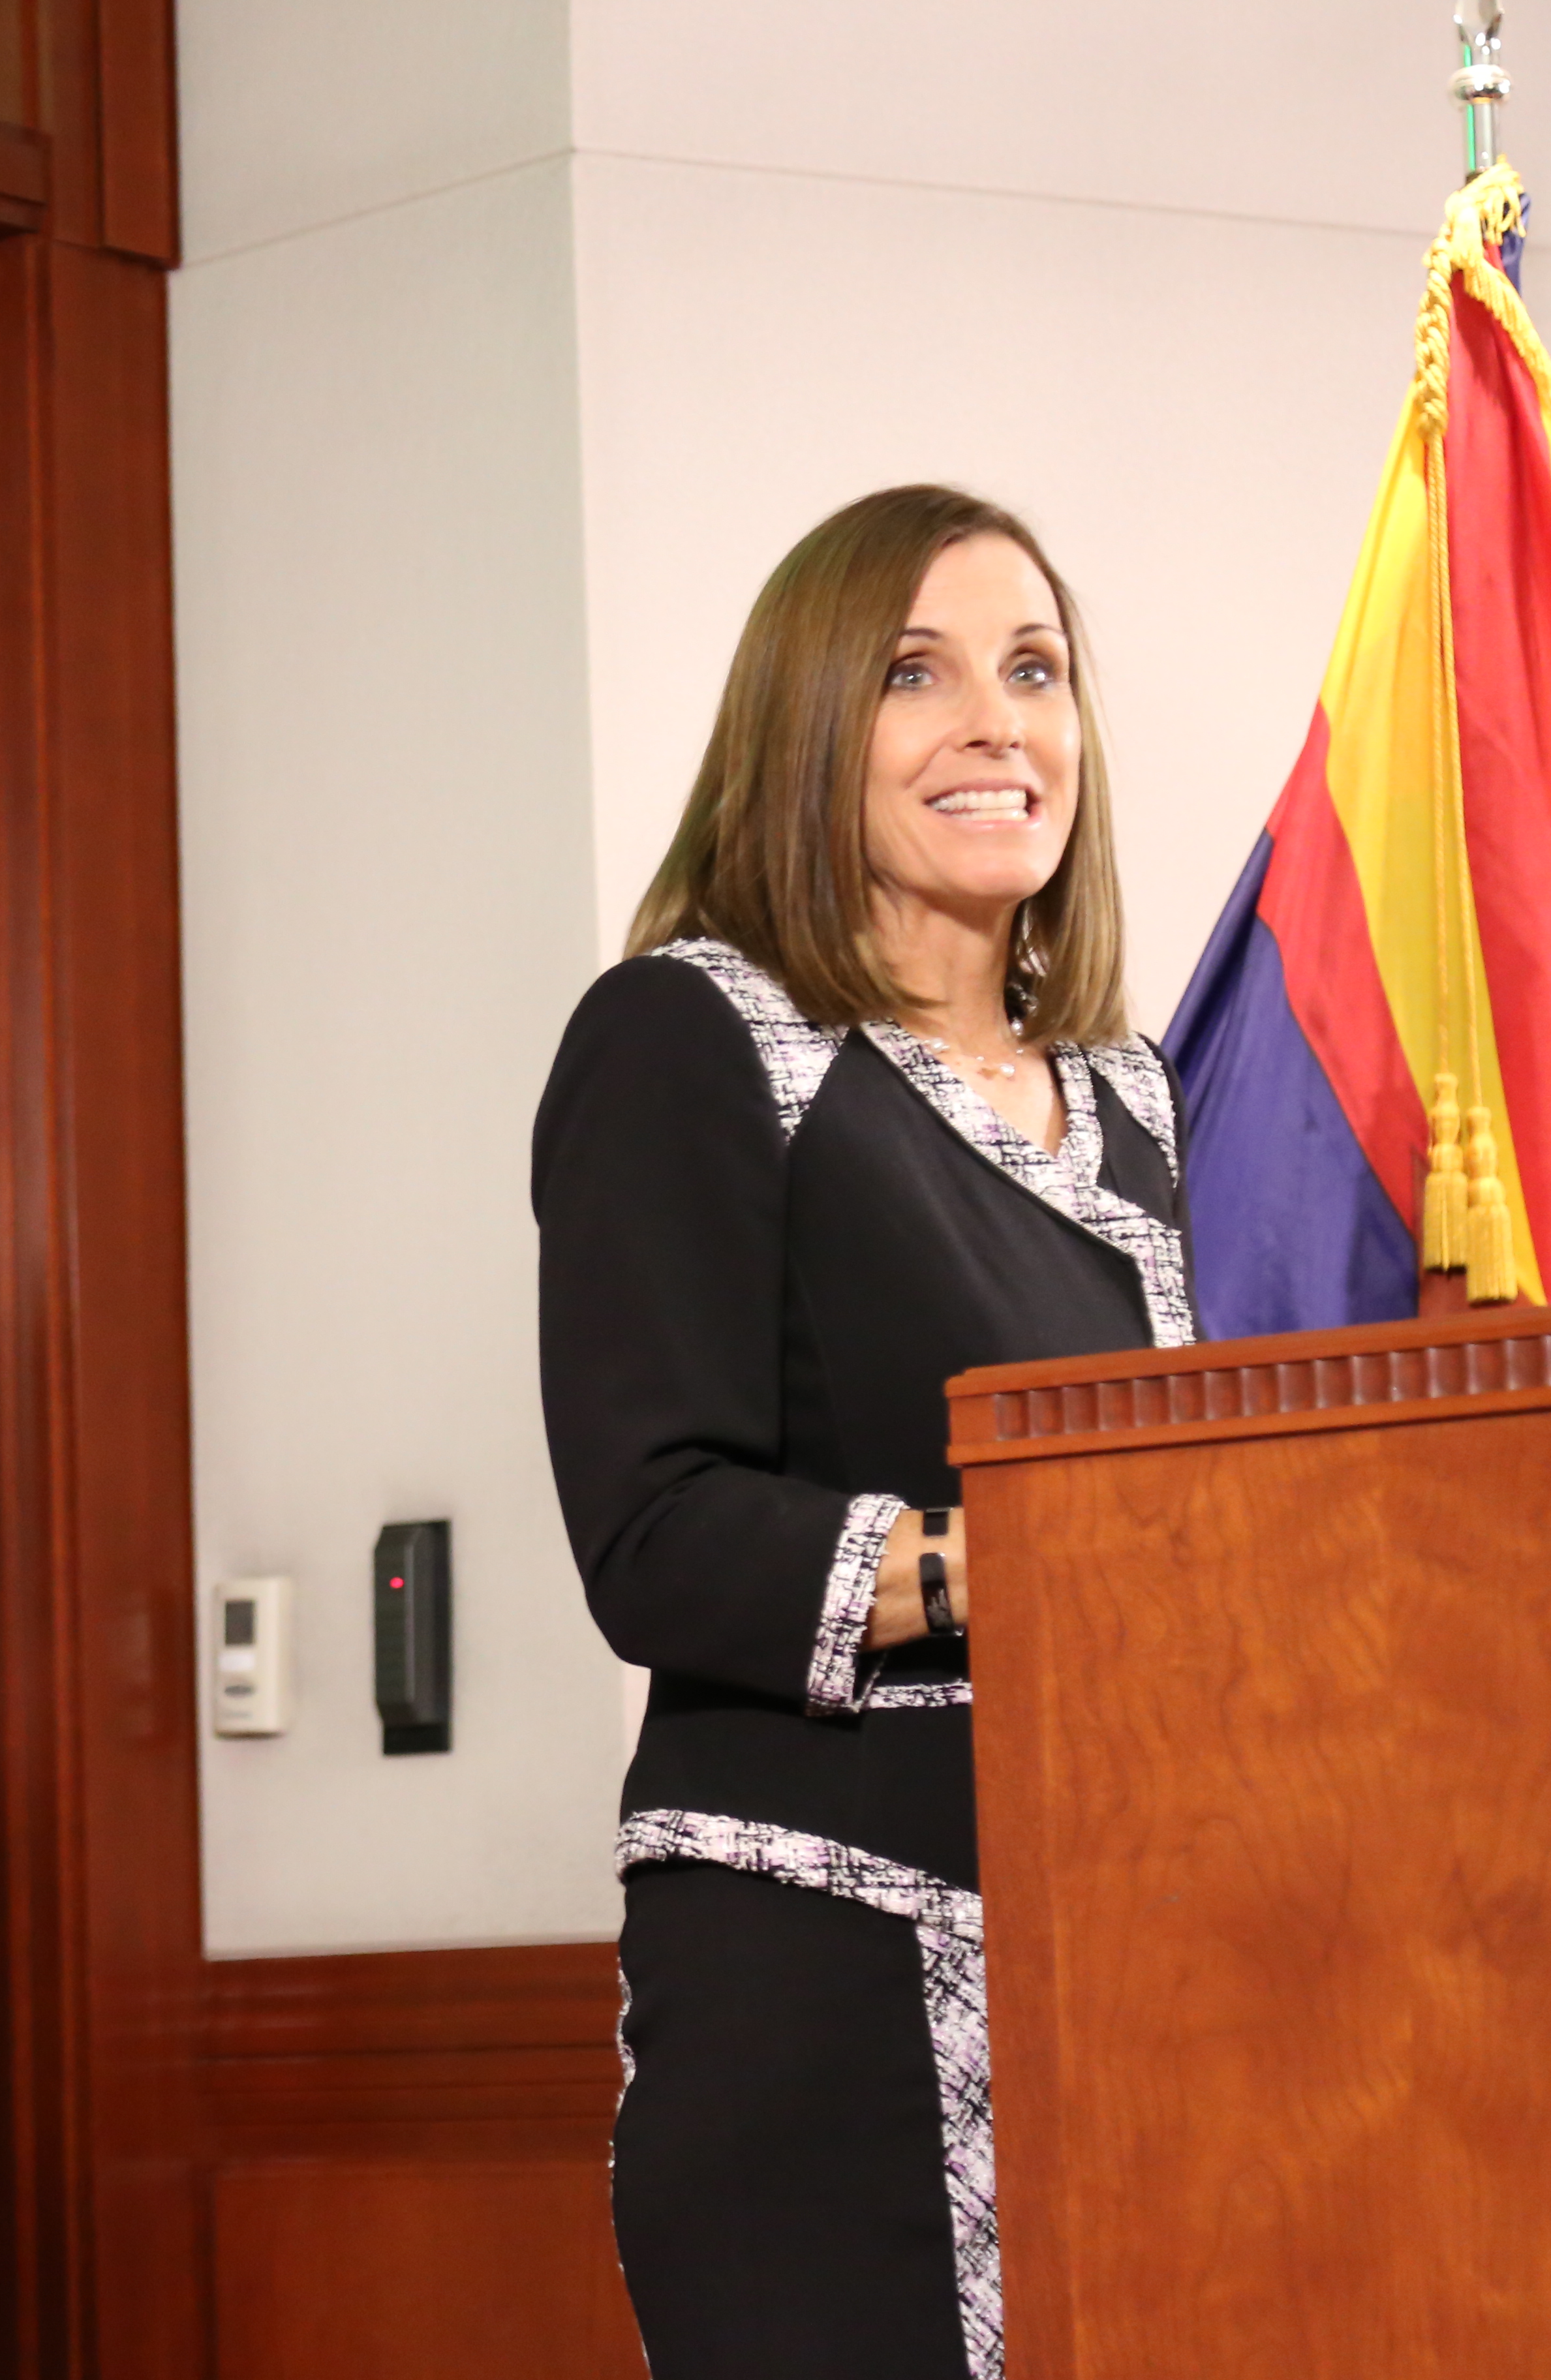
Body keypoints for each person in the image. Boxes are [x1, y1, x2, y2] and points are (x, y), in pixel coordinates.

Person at [532, 485, 1195, 2380]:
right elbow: (653, 1532)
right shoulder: (692, 1034)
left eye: (1035, 669)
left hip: (1126, 1947)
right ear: (809, 722)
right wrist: (1004, 1567)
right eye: (917, 673)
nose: (999, 722)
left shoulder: (1130, 1093)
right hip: (827, 1976)